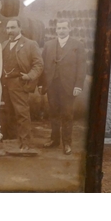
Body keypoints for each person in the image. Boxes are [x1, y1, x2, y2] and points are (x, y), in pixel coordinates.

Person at [39, 20, 86, 155]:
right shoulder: (49, 45)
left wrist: (78, 85)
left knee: (67, 114)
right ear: (56, 30)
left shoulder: (78, 45)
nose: (61, 30)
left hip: (68, 86)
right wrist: (42, 83)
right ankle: (54, 140)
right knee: (53, 113)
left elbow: (82, 67)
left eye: (64, 28)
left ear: (69, 29)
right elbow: (43, 66)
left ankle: (67, 143)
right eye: (59, 28)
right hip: (52, 85)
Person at [0, 19, 44, 151]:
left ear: (20, 28)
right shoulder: (4, 44)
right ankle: (13, 141)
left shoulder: (30, 44)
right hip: (5, 84)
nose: (10, 31)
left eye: (13, 28)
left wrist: (29, 76)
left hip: (19, 83)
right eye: (8, 28)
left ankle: (25, 143)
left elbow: (39, 64)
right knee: (9, 112)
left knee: (22, 113)